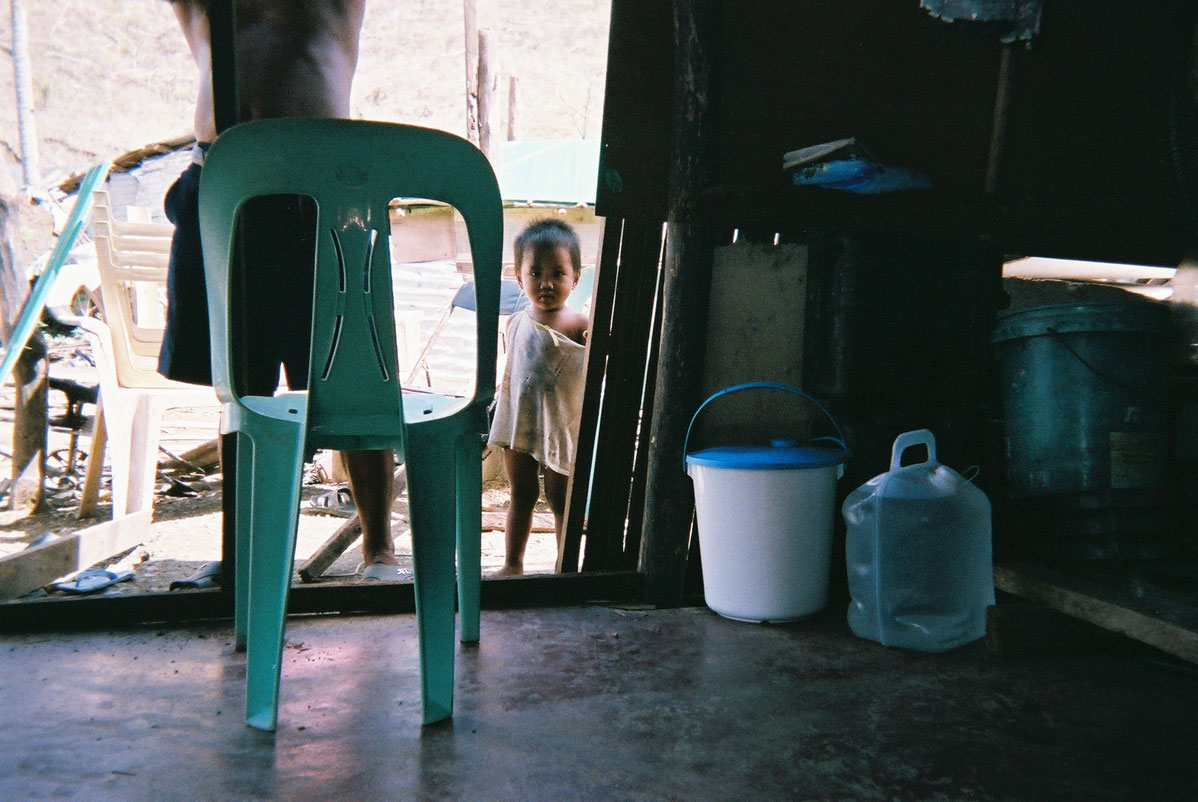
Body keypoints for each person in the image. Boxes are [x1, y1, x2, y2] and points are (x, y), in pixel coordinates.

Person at [160, 0, 401, 582]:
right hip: (223, 180)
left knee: (350, 379)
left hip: (316, 184)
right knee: (240, 388)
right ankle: (245, 553)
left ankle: (380, 550)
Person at [487, 219, 589, 576]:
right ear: (519, 277)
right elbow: (511, 377)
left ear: (575, 277)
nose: (546, 283)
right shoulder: (515, 322)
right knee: (522, 496)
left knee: (562, 501)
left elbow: (595, 373)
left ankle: (565, 567)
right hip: (519, 423)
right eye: (536, 273)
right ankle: (512, 564)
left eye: (557, 274)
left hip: (560, 425)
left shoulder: (580, 324)